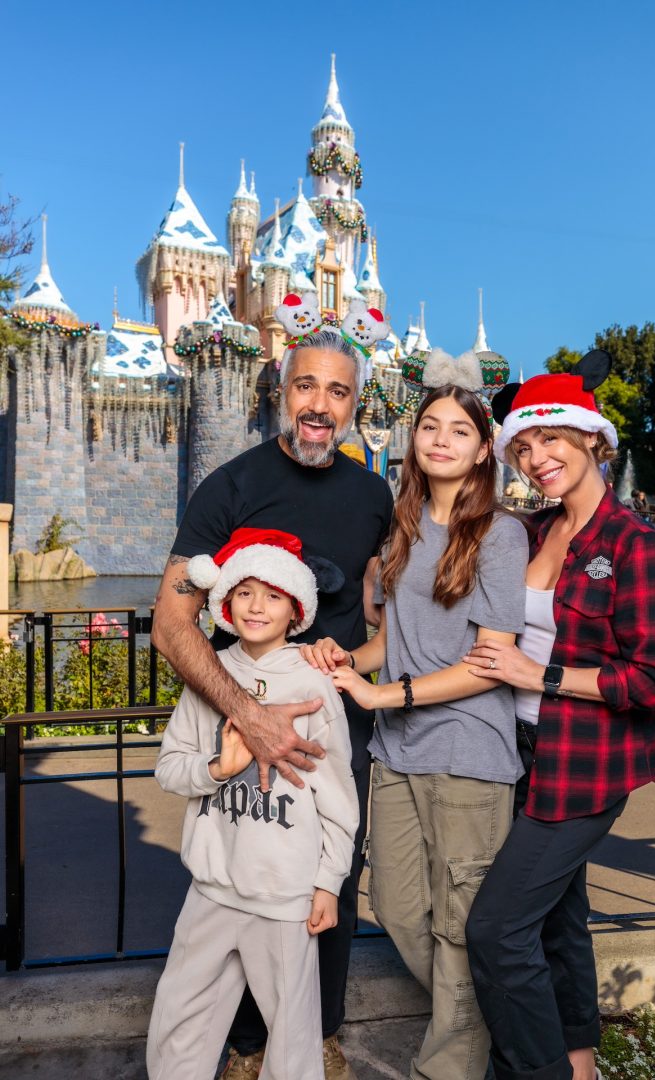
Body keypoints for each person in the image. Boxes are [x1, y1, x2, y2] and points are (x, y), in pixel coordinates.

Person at [151, 295, 394, 1080]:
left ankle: (316, 1036)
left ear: (355, 405)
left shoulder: (373, 496)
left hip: (329, 726)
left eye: (338, 392)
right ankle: (247, 1047)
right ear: (279, 391)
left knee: (330, 880)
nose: (320, 406)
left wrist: (361, 664)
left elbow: (384, 603)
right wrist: (246, 715)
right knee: (238, 880)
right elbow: (171, 623)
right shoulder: (231, 487)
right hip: (237, 718)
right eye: (305, 387)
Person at [462, 351, 655, 1080]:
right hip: (518, 748)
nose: (537, 458)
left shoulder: (637, 546)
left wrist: (543, 674)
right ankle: (581, 1061)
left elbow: (654, 678)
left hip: (586, 766)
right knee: (558, 919)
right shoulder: (531, 531)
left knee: (496, 931)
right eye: (523, 448)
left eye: (551, 439)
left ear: (593, 439)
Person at [302, 349, 528, 1080]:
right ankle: (505, 1021)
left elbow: (489, 659)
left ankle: (452, 1065)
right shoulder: (404, 525)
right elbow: (393, 640)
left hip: (468, 753)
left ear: (482, 447)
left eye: (458, 431)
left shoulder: (499, 534)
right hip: (398, 754)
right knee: (400, 907)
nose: (439, 440)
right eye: (429, 426)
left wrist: (385, 696)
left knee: (461, 929)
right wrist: (345, 663)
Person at [147, 528, 359, 1080]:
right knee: (179, 1021)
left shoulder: (314, 686)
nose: (256, 606)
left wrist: (328, 883)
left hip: (285, 895)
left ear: (296, 609)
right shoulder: (209, 680)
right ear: (224, 604)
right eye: (244, 592)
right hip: (212, 888)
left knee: (292, 1036)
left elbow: (339, 799)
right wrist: (217, 768)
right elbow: (169, 769)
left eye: (272, 595)